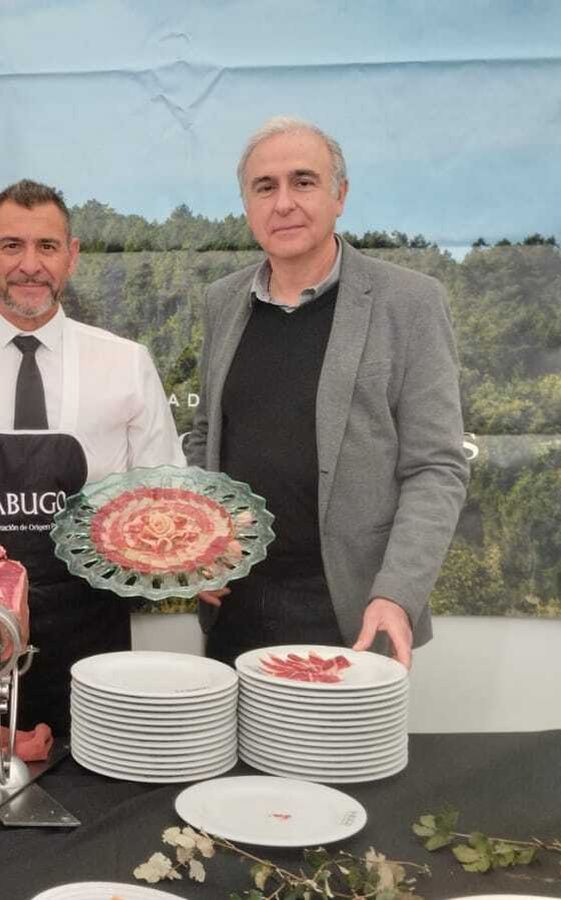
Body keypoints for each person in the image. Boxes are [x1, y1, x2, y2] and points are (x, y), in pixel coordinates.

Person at [0, 179, 184, 737]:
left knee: (100, 793)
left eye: (47, 247)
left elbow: (160, 500)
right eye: (11, 246)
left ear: (71, 257)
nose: (31, 265)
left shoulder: (127, 364)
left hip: (93, 639)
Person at [186, 116, 469, 669]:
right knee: (229, 759)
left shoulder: (409, 303)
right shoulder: (223, 302)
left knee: (335, 760)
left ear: (340, 195)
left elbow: (437, 468)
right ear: (246, 204)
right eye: (265, 187)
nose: (284, 202)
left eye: (304, 182)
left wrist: (397, 593)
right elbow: (205, 438)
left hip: (352, 612)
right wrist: (202, 548)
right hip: (234, 607)